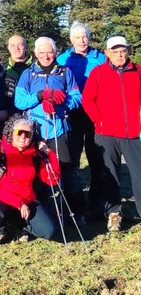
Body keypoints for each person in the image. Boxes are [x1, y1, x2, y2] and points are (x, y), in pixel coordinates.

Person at [14, 37, 85, 225]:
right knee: (36, 172)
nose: (46, 56)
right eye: (42, 52)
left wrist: (62, 100)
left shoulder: (65, 72)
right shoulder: (28, 74)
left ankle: (77, 212)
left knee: (67, 170)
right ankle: (42, 212)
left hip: (59, 128)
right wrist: (40, 96)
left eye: (50, 52)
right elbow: (19, 101)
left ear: (55, 53)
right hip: (36, 131)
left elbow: (77, 98)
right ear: (36, 54)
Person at [82, 35, 141, 232]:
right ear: (107, 53)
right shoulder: (98, 73)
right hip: (106, 134)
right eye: (114, 52)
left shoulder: (138, 71)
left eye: (122, 51)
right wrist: (99, 120)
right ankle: (114, 213)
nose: (119, 55)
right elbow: (88, 100)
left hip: (133, 133)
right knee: (110, 175)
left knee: (138, 174)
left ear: (128, 51)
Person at [0, 116, 59, 246]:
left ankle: (20, 225)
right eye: (19, 132)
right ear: (11, 133)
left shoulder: (34, 154)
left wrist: (48, 153)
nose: (23, 137)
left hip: (27, 200)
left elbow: (52, 180)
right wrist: (18, 203)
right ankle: (3, 229)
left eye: (27, 134)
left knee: (49, 231)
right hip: (3, 200)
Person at [57, 22, 107, 217]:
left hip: (95, 114)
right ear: (71, 40)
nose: (82, 40)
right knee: (73, 160)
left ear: (89, 37)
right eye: (77, 37)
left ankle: (96, 204)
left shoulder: (101, 58)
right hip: (73, 114)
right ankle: (74, 204)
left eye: (85, 36)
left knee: (97, 160)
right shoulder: (63, 59)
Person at [5, 34, 32, 102]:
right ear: (8, 48)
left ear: (25, 47)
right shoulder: (2, 69)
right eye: (13, 45)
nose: (16, 48)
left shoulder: (35, 67)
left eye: (20, 45)